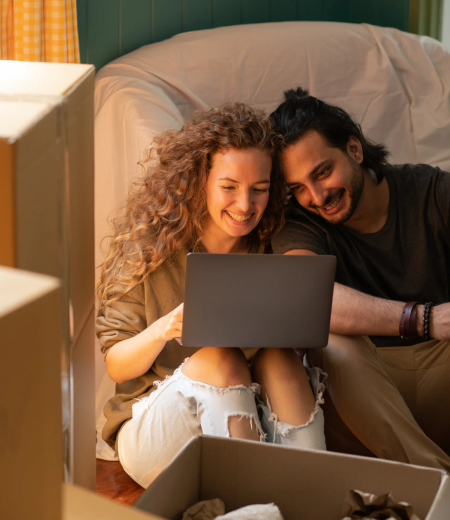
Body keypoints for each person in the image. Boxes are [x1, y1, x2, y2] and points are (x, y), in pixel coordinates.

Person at [96, 103, 327, 488]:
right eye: (229, 187)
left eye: (260, 190)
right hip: (156, 429)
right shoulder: (149, 249)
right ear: (199, 181)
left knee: (281, 359)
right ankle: (252, 505)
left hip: (250, 418)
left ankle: (312, 493)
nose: (245, 205)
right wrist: (164, 329)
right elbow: (117, 366)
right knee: (221, 359)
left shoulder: (271, 245)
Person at [270, 87, 450, 472]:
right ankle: (438, 485)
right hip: (362, 394)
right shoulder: (298, 222)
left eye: (322, 172)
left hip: (442, 372)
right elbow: (307, 297)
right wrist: (425, 318)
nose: (317, 197)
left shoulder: (432, 192)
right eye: (297, 188)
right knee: (329, 339)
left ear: (354, 149)